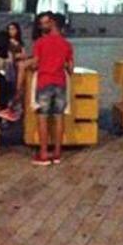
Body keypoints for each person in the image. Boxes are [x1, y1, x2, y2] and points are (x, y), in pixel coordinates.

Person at [32, 13, 74, 166]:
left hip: (44, 81)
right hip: (60, 83)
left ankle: (43, 153)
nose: (45, 24)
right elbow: (71, 68)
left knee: (42, 118)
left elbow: (36, 63)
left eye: (48, 22)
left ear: (53, 23)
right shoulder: (67, 44)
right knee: (59, 118)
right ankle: (57, 153)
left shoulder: (40, 42)